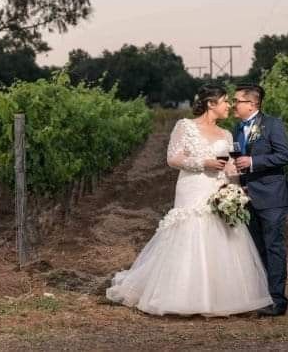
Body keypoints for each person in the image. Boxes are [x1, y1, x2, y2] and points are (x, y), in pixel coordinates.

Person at [106, 84, 273, 317]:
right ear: (211, 103)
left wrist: (236, 186)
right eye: (225, 101)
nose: (229, 106)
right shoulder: (185, 126)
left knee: (221, 236)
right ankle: (180, 296)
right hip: (193, 187)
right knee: (189, 232)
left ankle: (220, 298)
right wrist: (203, 163)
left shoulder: (226, 134)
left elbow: (230, 167)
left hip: (218, 189)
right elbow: (172, 159)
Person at [232, 84, 288, 317]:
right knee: (257, 250)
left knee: (273, 248)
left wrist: (254, 163)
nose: (233, 105)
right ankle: (262, 297)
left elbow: (285, 155)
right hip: (248, 198)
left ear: (252, 104)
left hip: (272, 197)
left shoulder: (272, 124)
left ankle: (278, 301)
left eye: (237, 101)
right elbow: (238, 156)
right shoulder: (238, 128)